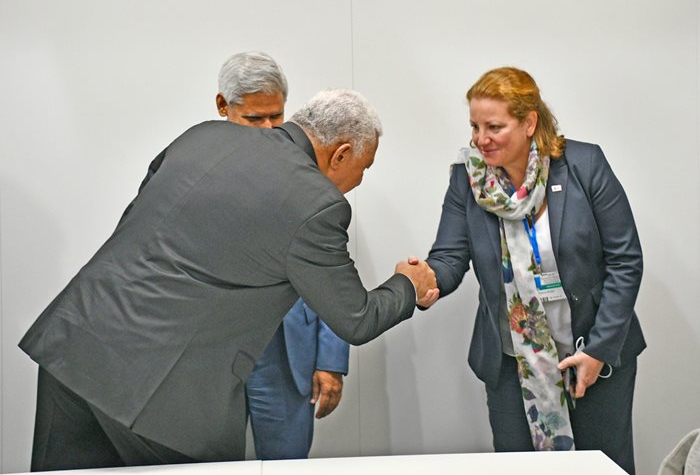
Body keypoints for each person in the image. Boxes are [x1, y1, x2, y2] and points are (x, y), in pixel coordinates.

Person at [19, 88, 439, 471]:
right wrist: (409, 284)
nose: (359, 181)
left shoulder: (202, 136)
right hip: (161, 396)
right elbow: (356, 318)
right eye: (364, 168)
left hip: (73, 345)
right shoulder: (316, 203)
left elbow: (137, 222)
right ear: (341, 154)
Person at [423, 67, 645, 473]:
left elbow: (625, 259)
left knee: (601, 467)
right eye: (475, 126)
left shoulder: (582, 165)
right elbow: (449, 258)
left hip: (592, 356)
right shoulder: (467, 180)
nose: (480, 139)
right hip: (513, 367)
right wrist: (424, 280)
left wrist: (598, 350)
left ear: (529, 123)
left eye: (494, 127)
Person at [215, 51, 350, 460]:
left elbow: (332, 271)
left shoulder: (308, 174)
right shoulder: (198, 173)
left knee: (287, 464)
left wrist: (331, 359)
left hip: (287, 352)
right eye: (255, 118)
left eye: (277, 116)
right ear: (223, 106)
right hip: (216, 351)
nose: (269, 129)